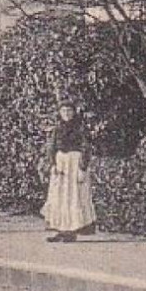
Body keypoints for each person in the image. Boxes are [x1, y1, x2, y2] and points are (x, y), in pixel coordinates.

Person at [43, 103, 97, 242]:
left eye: (69, 111)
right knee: (59, 197)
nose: (66, 113)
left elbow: (86, 148)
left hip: (74, 164)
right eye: (63, 111)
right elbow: (52, 147)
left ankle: (71, 231)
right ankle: (61, 229)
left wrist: (82, 168)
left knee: (72, 197)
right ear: (60, 113)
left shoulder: (80, 128)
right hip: (61, 164)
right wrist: (53, 164)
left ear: (74, 112)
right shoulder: (57, 129)